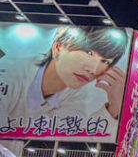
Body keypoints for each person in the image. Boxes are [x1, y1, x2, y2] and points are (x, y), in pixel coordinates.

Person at [0, 26, 129, 136]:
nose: (93, 69)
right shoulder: (11, 71)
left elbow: (69, 135)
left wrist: (114, 108)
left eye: (104, 61)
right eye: (88, 52)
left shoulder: (75, 94)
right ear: (58, 47)